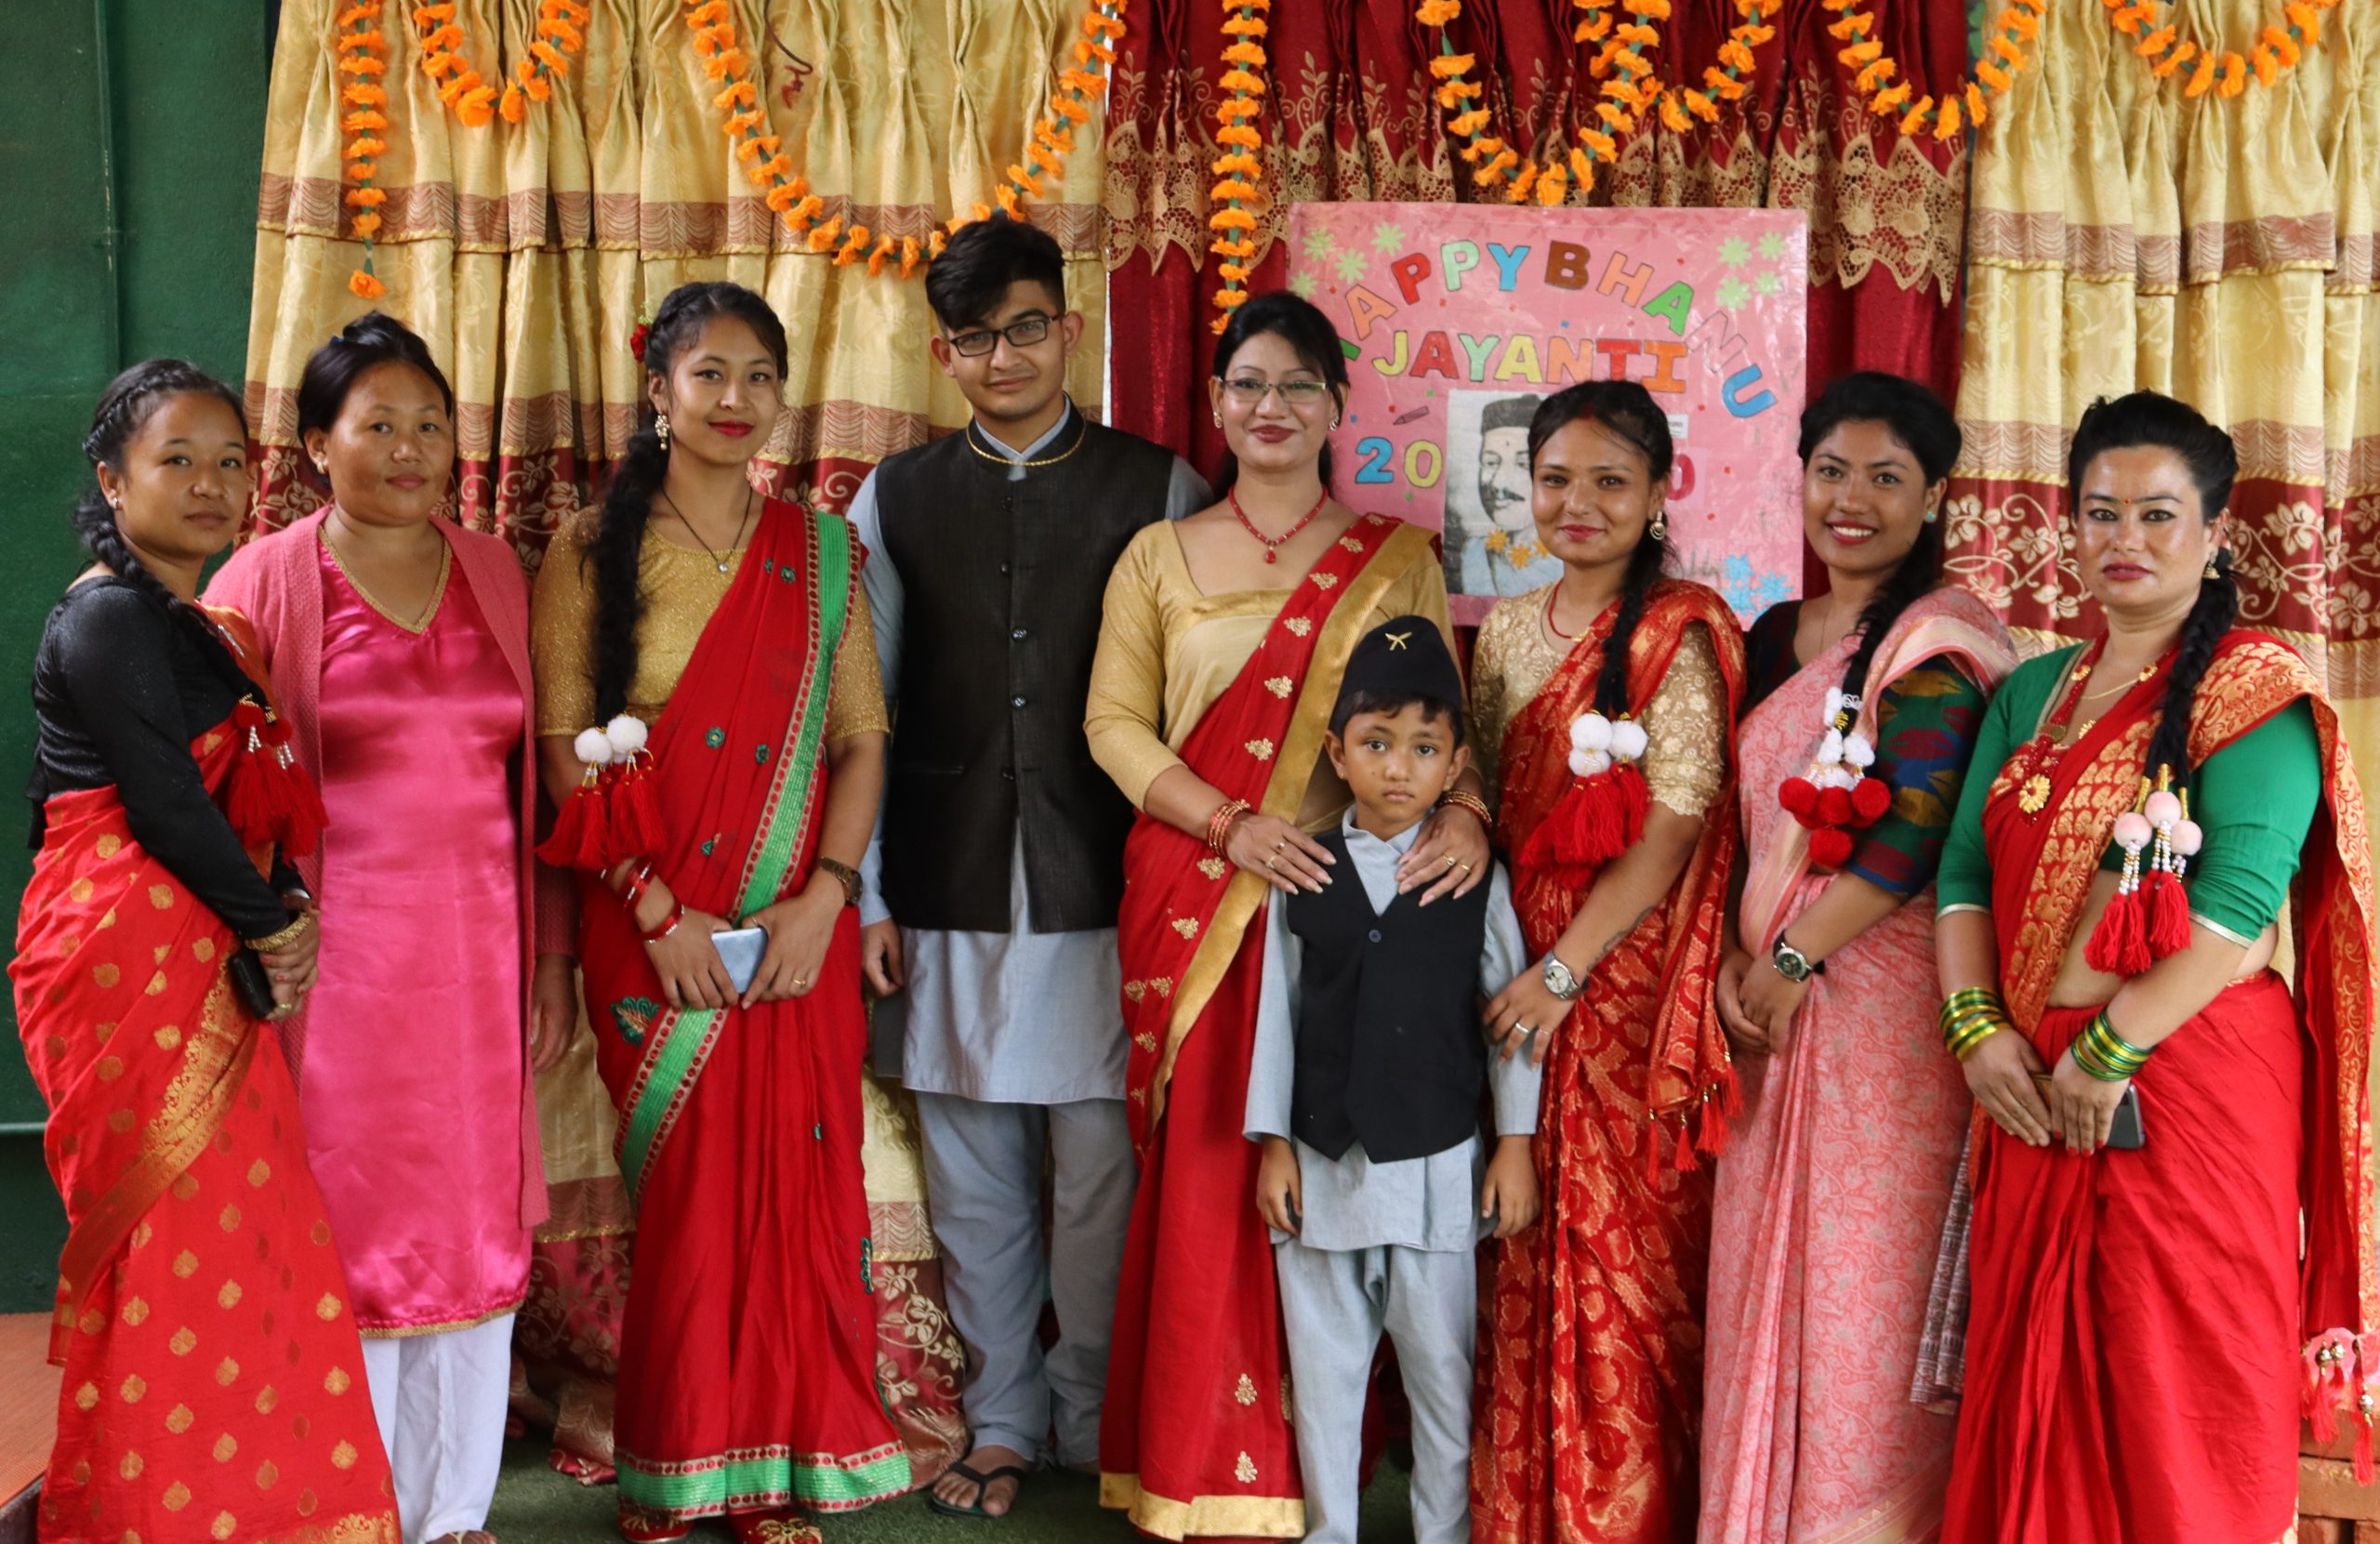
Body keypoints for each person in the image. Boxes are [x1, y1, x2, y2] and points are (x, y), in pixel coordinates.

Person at [1933, 391, 2375, 1544]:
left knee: (2181, 1384)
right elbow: (1963, 873)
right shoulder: (2030, 692)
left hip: (2186, 1080)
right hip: (2033, 1086)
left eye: (2156, 513)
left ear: (2215, 532)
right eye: (2099, 511)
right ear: (2069, 526)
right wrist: (1976, 1029)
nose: (2122, 537)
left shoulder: (2253, 685)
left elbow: (2237, 899)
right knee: (2040, 1387)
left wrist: (2108, 1047)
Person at [1088, 289, 1491, 1539]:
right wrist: (1228, 825)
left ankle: (1328, 1475)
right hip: (1204, 899)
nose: (1272, 407)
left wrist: (1470, 815)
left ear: (1336, 407)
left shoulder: (1393, 553)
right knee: (1221, 1172)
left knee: (1335, 1181)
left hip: (1348, 915)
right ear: (1216, 401)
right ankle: (1204, 1471)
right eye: (1249, 384)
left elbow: (1446, 723)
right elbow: (1112, 725)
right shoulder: (1159, 556)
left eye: (1299, 386)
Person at [531, 281, 908, 1544]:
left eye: (760, 376)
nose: (737, 399)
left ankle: (786, 1470)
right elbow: (562, 748)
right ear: (659, 390)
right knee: (692, 1203)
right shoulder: (589, 546)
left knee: (799, 1195)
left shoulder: (821, 552)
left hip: (796, 932)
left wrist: (827, 897)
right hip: (651, 924)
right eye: (710, 374)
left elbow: (861, 739)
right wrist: (656, 909)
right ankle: (683, 1464)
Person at [846, 214, 1208, 1519]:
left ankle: (1094, 1419)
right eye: (974, 338)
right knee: (974, 1182)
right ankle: (1001, 1421)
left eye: (1026, 328)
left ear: (1069, 329)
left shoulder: (1160, 488)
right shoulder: (895, 496)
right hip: (941, 879)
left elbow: (1196, 702)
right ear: (942, 353)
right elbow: (863, 711)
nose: (1003, 357)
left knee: (1102, 1178)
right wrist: (865, 892)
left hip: (1107, 886)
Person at [199, 312, 574, 1544]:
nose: (411, 449)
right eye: (378, 425)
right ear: (316, 443)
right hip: (332, 972)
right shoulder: (261, 582)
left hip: (477, 965)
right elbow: (214, 790)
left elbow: (533, 790)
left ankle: (453, 1511)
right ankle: (345, 1505)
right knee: (343, 1226)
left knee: (471, 1226)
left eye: (431, 424)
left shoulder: (497, 571)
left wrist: (552, 955)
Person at [14, 360, 401, 1542]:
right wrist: (282, 927)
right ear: (111, 480)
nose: (210, 483)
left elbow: (253, 796)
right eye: (175, 459)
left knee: (243, 1232)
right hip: (121, 950)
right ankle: (145, 1510)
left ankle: (249, 1505)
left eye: (230, 460)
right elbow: (165, 802)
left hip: (212, 943)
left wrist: (286, 900)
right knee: (167, 1235)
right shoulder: (105, 617)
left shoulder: (209, 624)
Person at [1699, 374, 2016, 1544]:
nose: (1852, 499)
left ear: (1932, 496)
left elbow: (1917, 824)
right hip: (1766, 1008)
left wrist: (1790, 956)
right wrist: (1737, 965)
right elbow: (1738, 828)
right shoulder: (1774, 635)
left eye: (1887, 477)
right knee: (1759, 1276)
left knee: (1858, 1291)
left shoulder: (1939, 636)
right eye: (1832, 470)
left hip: (1879, 1012)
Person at [1466, 379, 1745, 1544]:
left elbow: (1675, 823)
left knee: (1626, 1257)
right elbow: (1479, 795)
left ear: (1659, 491)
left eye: (1609, 481)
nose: (1577, 503)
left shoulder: (1681, 626)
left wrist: (1562, 973)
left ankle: (1626, 1518)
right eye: (1555, 479)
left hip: (1623, 978)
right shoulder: (1501, 629)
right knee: (1519, 1232)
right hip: (1510, 961)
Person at [1246, 617, 1540, 1544]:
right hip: (1323, 1161)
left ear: (1455, 763)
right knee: (1325, 1373)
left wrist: (1516, 1143)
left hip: (1434, 1164)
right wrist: (1274, 1143)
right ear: (1337, 752)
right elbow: (1275, 1015)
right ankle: (1329, 1530)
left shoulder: (1475, 879)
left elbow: (1511, 1019)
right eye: (1375, 744)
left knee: (1442, 1374)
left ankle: (1441, 1533)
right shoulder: (1304, 871)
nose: (1398, 767)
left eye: (1422, 747)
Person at [1455, 395, 1561, 598]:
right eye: (1491, 463)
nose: (1498, 483)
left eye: (1522, 464)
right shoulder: (1474, 553)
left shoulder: (1571, 560)